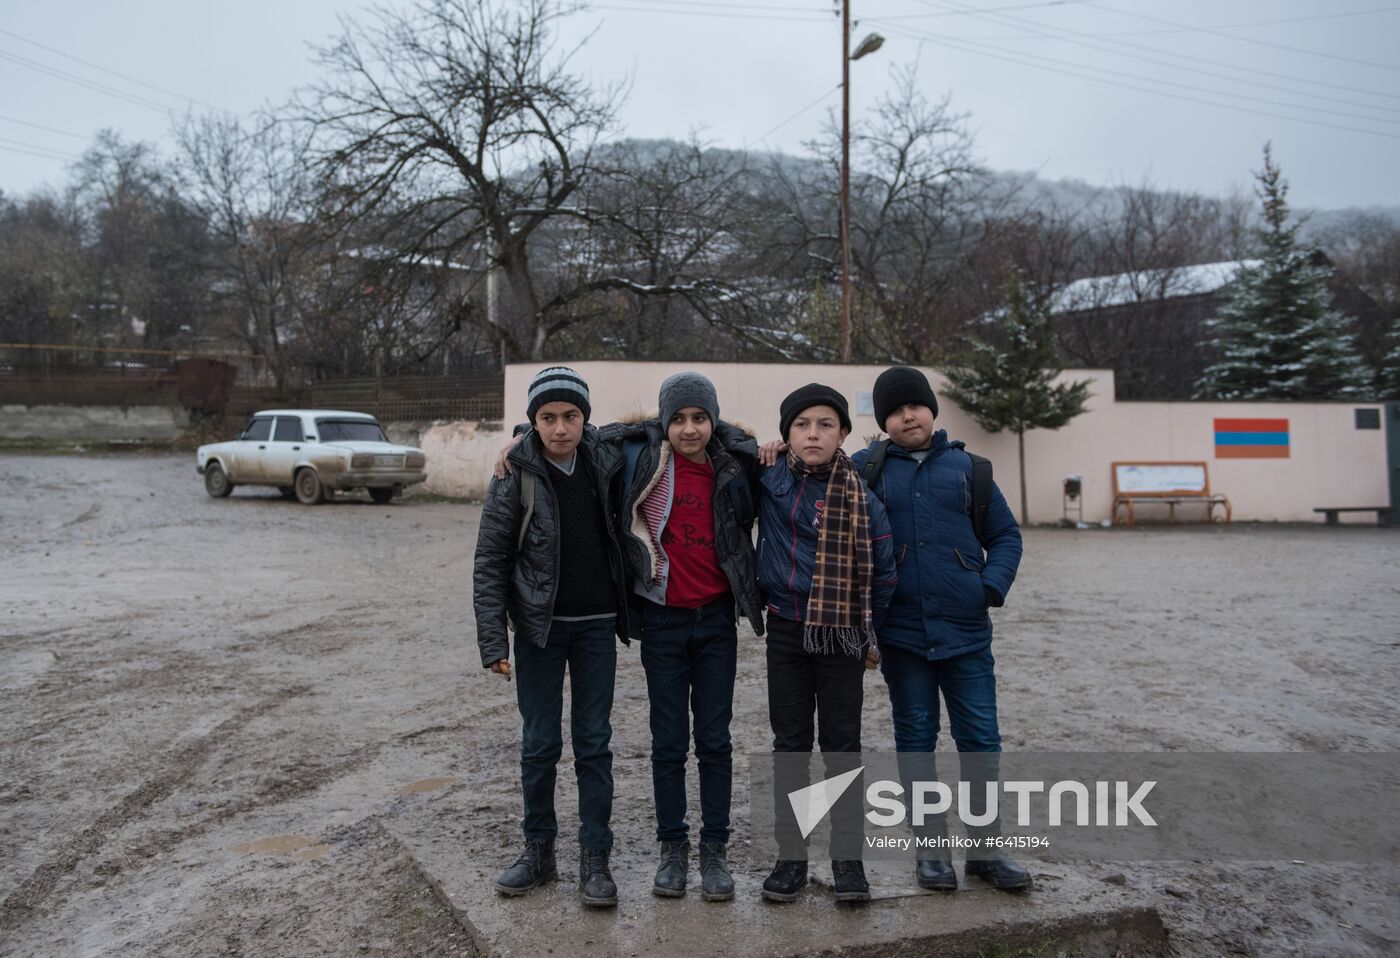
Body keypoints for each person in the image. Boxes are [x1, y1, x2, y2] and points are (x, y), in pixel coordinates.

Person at [851, 366, 1028, 892]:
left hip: (967, 635)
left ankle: (986, 853)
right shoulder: (866, 469)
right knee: (916, 741)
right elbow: (810, 476)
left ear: (932, 409)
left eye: (917, 405)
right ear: (884, 420)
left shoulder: (971, 470)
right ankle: (931, 853)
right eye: (897, 410)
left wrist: (987, 588)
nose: (909, 415)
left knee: (980, 740)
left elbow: (1006, 537)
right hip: (902, 637)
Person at [597, 372, 764, 902]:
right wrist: (517, 437)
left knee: (715, 741)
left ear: (713, 420)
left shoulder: (736, 464)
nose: (689, 429)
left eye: (699, 417)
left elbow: (789, 460)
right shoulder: (639, 457)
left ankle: (714, 850)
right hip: (663, 622)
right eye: (678, 419)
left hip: (716, 622)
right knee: (668, 743)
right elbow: (577, 436)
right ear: (663, 422)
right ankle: (673, 849)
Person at [472, 366, 632, 909]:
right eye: (547, 417)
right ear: (532, 420)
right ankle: (539, 851)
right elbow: (491, 560)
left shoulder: (608, 457)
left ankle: (595, 857)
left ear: (585, 417)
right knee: (540, 745)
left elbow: (670, 425)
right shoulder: (514, 471)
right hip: (539, 630)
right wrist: (493, 641)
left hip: (596, 627)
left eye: (570, 415)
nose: (560, 427)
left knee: (594, 744)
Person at [755, 383, 897, 904]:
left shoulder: (862, 494)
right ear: (786, 433)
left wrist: (862, 629)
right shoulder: (767, 477)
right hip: (787, 630)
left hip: (842, 635)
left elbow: (883, 573)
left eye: (825, 424)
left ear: (842, 433)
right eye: (801, 425)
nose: (813, 434)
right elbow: (710, 438)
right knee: (790, 745)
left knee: (841, 745)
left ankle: (848, 860)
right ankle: (790, 858)